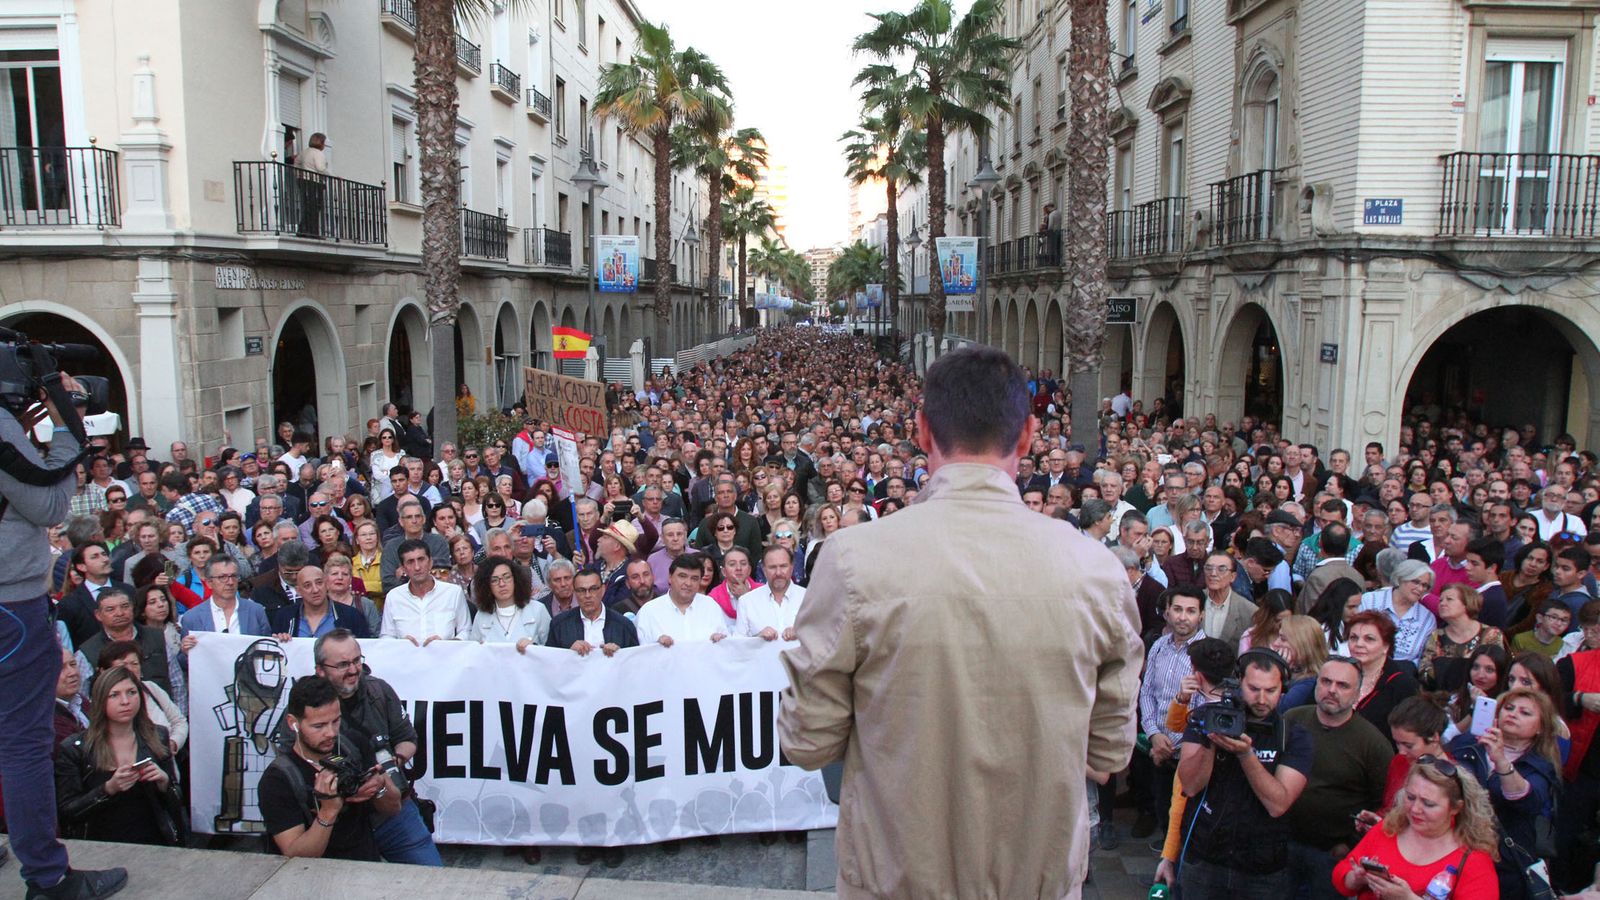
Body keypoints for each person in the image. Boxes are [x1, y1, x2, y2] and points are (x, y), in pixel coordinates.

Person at [780, 347, 1143, 899]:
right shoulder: (1096, 568)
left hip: (897, 878)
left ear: (923, 431)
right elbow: (1110, 753)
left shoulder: (854, 558)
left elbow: (808, 741)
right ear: (1025, 437)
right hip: (1038, 877)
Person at [1177, 648, 1314, 899]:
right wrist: (1212, 741)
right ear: (1239, 682)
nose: (1262, 699)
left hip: (1262, 868)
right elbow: (1190, 785)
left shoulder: (1293, 735)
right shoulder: (1206, 717)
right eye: (1253, 689)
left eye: (1271, 691)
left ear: (1282, 689)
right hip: (1206, 858)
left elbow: (1278, 804)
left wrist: (1246, 755)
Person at [308, 630, 441, 866]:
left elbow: (409, 739)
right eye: (342, 665)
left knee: (432, 879)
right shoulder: (305, 702)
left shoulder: (379, 691)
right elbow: (293, 755)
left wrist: (385, 768)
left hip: (393, 811)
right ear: (321, 670)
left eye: (357, 661)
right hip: (338, 819)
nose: (353, 670)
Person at [1284, 657, 1395, 900]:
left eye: (1343, 685)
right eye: (1326, 681)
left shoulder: (1373, 743)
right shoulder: (1291, 720)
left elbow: (1383, 804)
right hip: (1280, 846)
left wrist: (1351, 845)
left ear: (1358, 694)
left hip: (1332, 855)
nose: (1332, 690)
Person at [258, 675, 403, 860]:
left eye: (336, 721)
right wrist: (328, 811)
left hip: (364, 863)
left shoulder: (354, 746)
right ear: (293, 723)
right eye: (318, 726)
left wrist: (379, 786)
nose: (331, 733)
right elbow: (295, 856)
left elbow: (393, 808)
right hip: (312, 877)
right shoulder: (278, 780)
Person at [1447, 687, 1562, 899]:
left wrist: (1500, 760)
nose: (1513, 714)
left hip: (1503, 861)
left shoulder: (1539, 765)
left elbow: (1527, 800)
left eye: (1525, 713)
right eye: (1508, 708)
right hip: (1453, 846)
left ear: (1540, 728)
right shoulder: (1467, 744)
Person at [1332, 757, 1500, 900]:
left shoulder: (1473, 859)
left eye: (1428, 804)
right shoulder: (1389, 828)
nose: (1414, 809)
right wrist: (1356, 878)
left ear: (1455, 808)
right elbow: (1343, 872)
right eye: (1410, 797)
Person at [53, 665, 184, 847]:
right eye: (114, 695)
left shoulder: (158, 736)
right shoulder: (75, 748)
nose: (125, 701)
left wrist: (164, 783)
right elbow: (67, 811)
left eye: (131, 692)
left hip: (154, 843)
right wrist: (107, 789)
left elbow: (177, 801)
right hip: (99, 846)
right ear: (100, 700)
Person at [1347, 611, 1422, 747]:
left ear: (1386, 646)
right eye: (1353, 638)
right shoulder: (1339, 671)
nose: (1358, 644)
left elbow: (1412, 735)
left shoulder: (1403, 684)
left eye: (1369, 639)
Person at [380, 539, 470, 644]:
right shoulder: (394, 597)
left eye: (421, 559)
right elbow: (386, 636)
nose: (417, 567)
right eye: (410, 562)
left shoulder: (453, 593)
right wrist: (401, 644)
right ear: (403, 568)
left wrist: (449, 644)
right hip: (406, 658)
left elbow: (466, 631)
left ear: (430, 562)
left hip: (446, 657)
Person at [1418, 585, 1505, 691]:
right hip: (1441, 693)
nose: (1442, 603)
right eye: (1441, 600)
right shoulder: (1437, 635)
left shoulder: (1489, 634)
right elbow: (1424, 671)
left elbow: (1498, 669)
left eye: (1449, 599)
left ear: (1466, 604)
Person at [635, 553, 731, 647]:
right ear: (670, 577)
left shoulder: (711, 606)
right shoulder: (649, 612)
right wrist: (656, 646)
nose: (688, 583)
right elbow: (640, 656)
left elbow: (727, 646)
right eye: (682, 576)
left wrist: (720, 641)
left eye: (694, 578)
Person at [546, 568, 639, 657]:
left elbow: (635, 663)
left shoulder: (623, 625)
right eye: (581, 590)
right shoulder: (559, 624)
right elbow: (549, 663)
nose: (587, 595)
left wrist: (620, 655)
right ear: (574, 592)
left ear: (603, 590)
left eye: (593, 589)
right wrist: (569, 654)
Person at [467, 555, 550, 650]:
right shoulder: (481, 616)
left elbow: (552, 650)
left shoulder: (537, 610)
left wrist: (534, 648)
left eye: (506, 577)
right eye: (494, 580)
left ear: (515, 579)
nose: (502, 584)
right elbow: (473, 653)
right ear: (486, 585)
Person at [735, 546, 806, 641]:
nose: (778, 572)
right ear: (763, 569)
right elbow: (737, 645)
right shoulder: (747, 602)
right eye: (772, 567)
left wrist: (801, 634)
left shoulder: (808, 598)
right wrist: (757, 639)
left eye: (783, 566)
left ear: (792, 567)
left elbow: (822, 638)